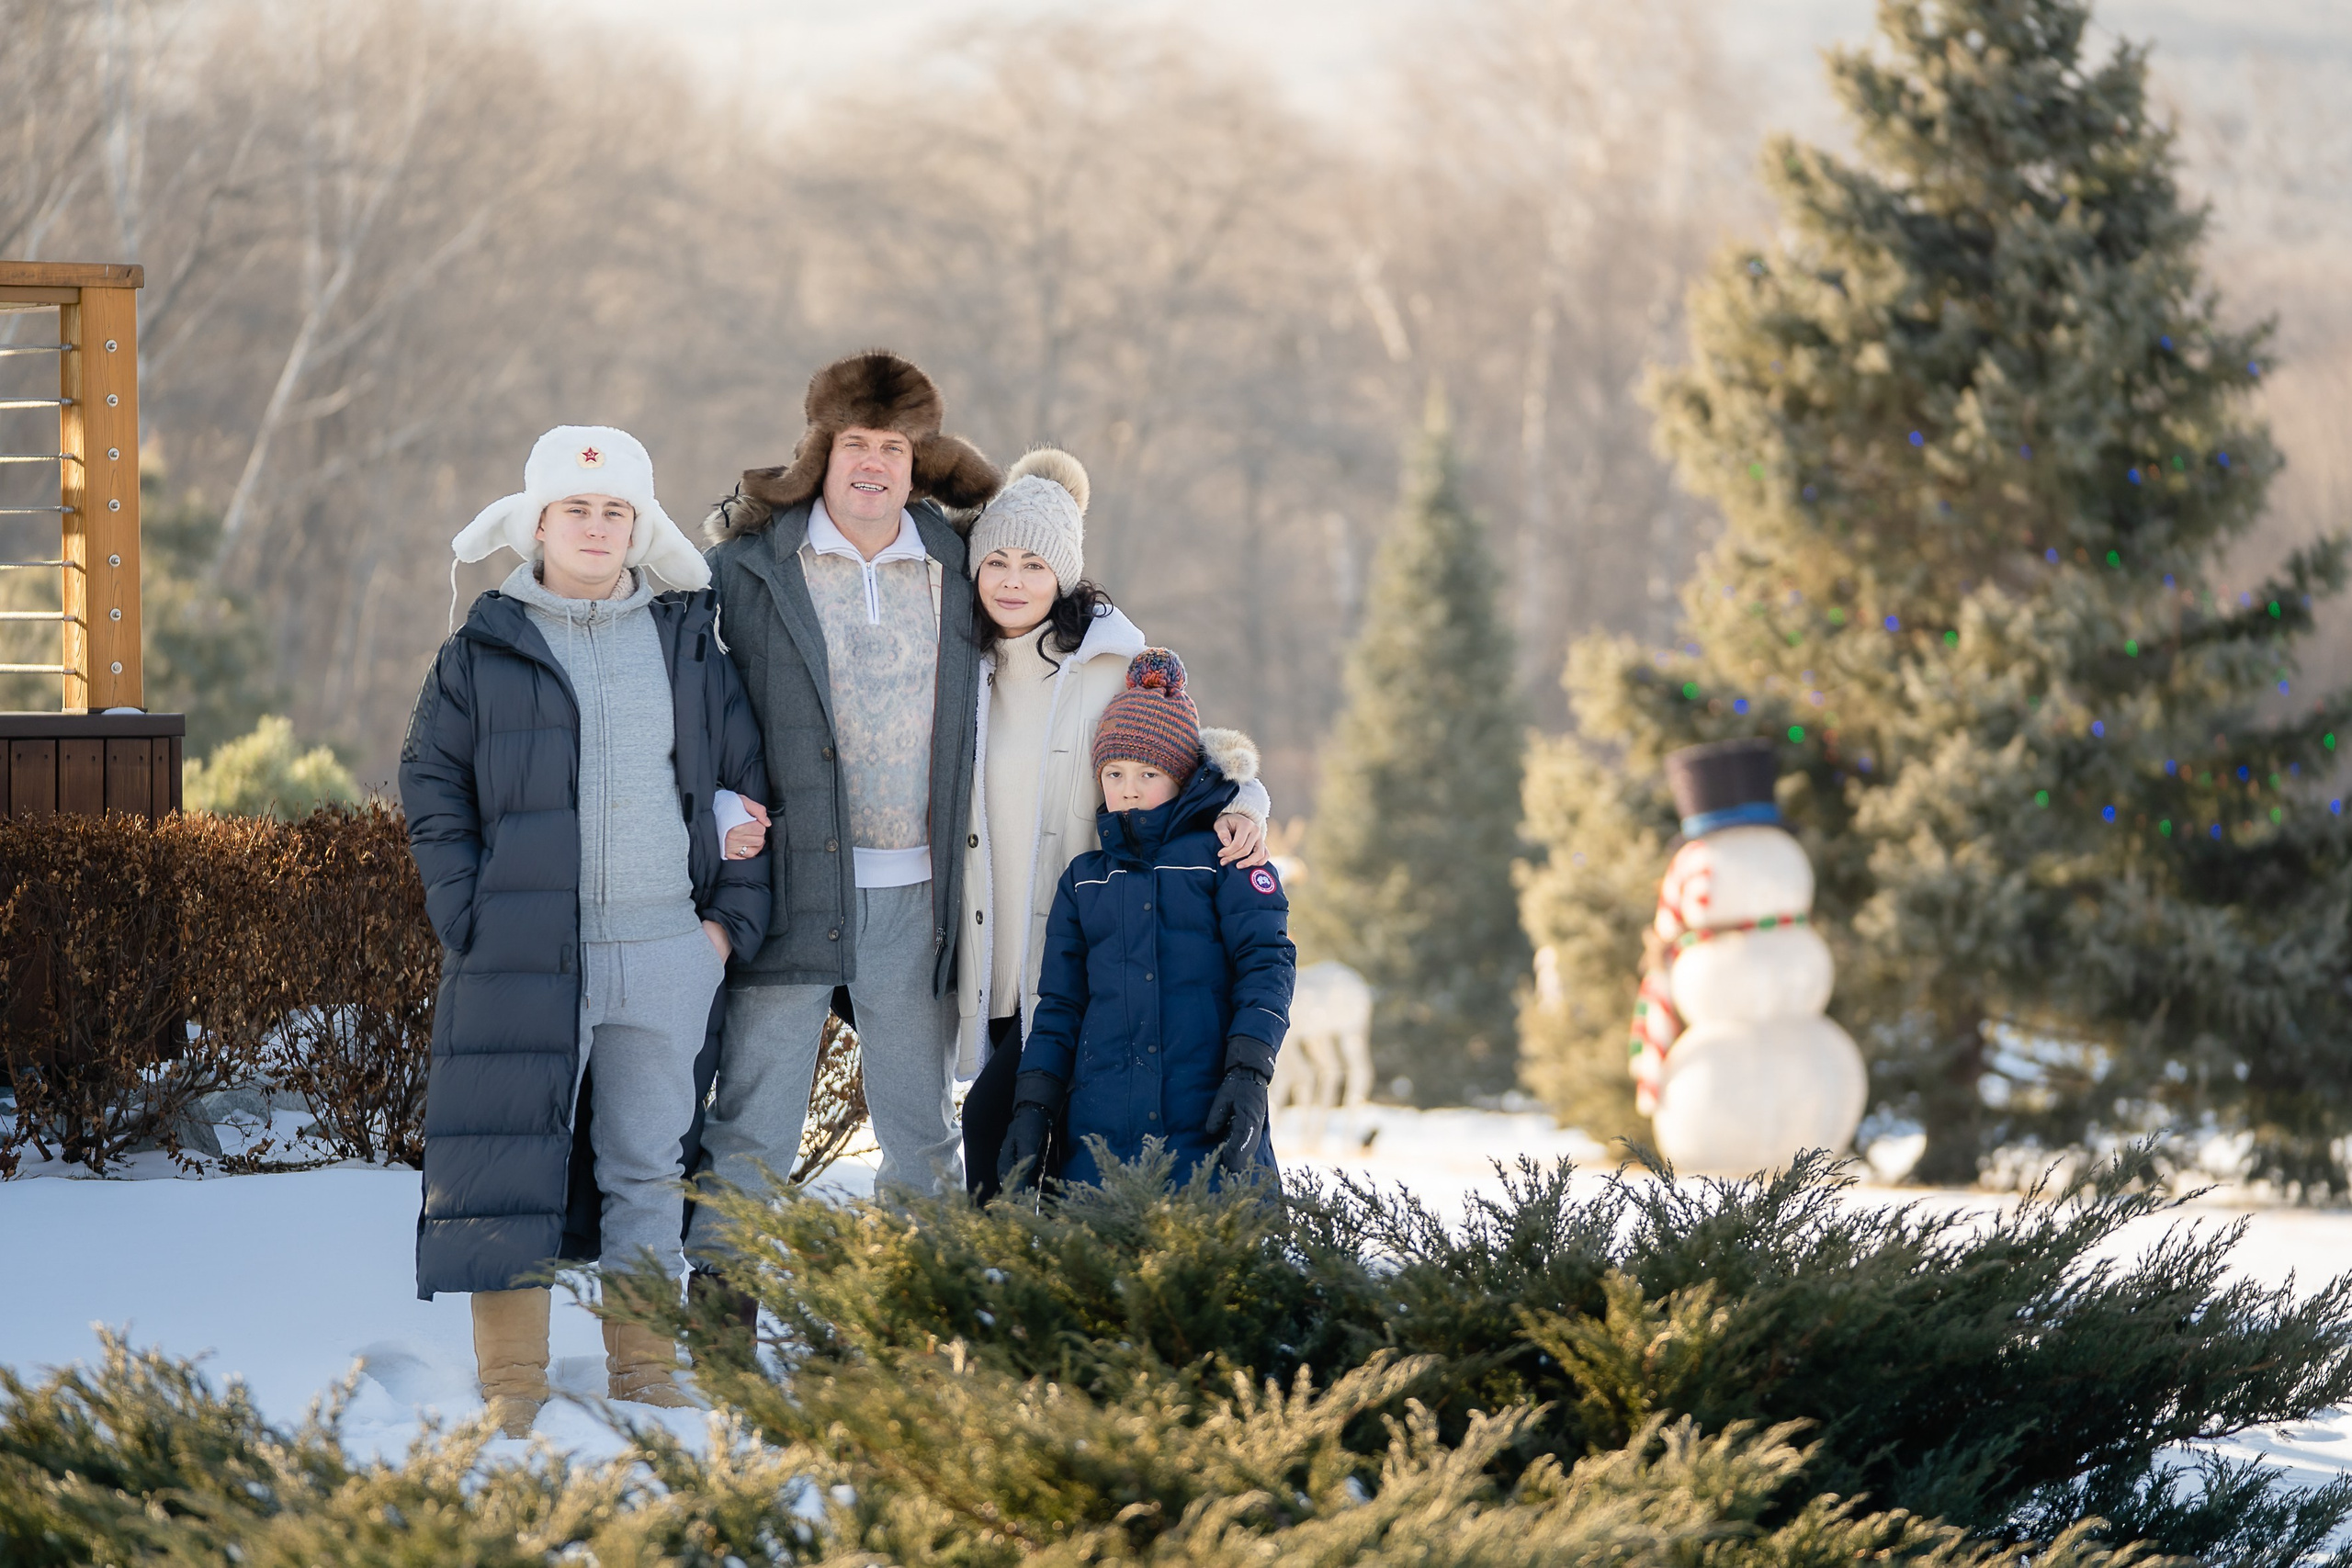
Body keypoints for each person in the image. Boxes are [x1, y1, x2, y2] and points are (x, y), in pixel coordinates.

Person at [401, 425, 771, 1436]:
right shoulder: (486, 647)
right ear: (538, 522)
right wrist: (467, 912)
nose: (597, 527)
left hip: (666, 953)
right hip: (525, 955)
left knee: (647, 1169)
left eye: (616, 512)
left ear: (639, 526)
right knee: (508, 1162)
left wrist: (723, 933)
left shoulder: (688, 643)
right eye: (578, 508)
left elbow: (750, 786)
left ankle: (645, 1373)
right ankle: (513, 1382)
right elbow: (430, 784)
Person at [689, 351, 1001, 1238]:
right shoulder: (749, 570)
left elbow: (1083, 661)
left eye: (894, 447)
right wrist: (718, 803)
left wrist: (1233, 779)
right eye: (856, 442)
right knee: (753, 1119)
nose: (873, 463)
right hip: (791, 882)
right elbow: (693, 700)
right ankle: (722, 1322)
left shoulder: (962, 563)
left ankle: (918, 1329)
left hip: (917, 893)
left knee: (922, 1129)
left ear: (919, 463)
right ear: (822, 452)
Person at [954, 447, 1272, 1201]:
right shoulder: (958, 666)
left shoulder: (1113, 661)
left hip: (1094, 958)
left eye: (1034, 564)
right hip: (985, 956)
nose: (1012, 579)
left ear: (1063, 572)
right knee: (1027, 1147)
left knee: (997, 1132)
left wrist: (1247, 805)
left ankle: (1001, 1293)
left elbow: (1186, 750)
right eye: (995, 560)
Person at [999, 649, 1297, 1191]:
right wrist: (1034, 1106)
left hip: (1208, 1118)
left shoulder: (1227, 856)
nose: (1129, 788)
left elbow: (1267, 961)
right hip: (1099, 1139)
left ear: (1182, 778)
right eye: (1114, 772)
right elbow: (1060, 1004)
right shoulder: (1083, 880)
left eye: (1149, 772)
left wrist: (1250, 1070)